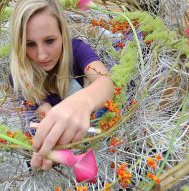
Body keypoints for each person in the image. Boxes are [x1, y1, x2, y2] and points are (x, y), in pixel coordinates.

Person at [9, 0, 114, 170]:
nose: (42, 55)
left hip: (86, 129)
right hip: (48, 136)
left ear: (63, 33)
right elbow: (46, 116)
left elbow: (105, 82)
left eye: (49, 41)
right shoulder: (20, 75)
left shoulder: (77, 49)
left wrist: (82, 103)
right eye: (30, 44)